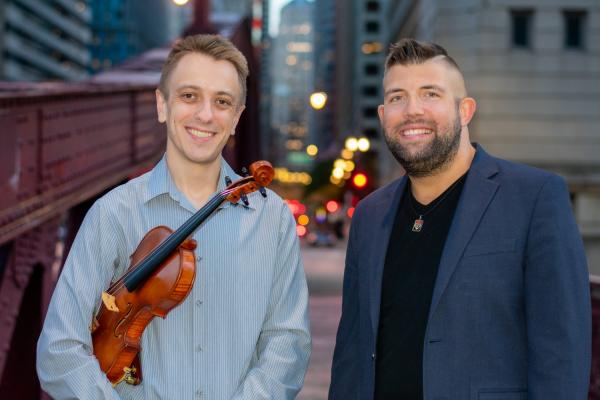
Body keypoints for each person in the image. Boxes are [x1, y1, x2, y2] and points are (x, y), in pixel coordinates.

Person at [37, 34, 311, 400]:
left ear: (236, 119)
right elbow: (59, 350)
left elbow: (288, 342)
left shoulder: (272, 219)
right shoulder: (113, 213)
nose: (205, 114)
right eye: (189, 96)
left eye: (222, 101)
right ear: (162, 104)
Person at [329, 38, 591, 399]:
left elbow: (561, 351)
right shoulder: (369, 216)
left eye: (430, 94)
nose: (411, 110)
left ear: (465, 110)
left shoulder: (534, 198)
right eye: (396, 97)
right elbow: (352, 353)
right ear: (382, 115)